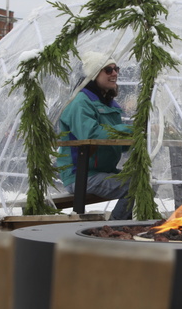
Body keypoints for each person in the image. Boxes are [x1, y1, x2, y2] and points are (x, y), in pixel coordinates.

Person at [56, 51, 134, 219]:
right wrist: (132, 132)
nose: (114, 73)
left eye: (116, 69)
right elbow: (92, 135)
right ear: (93, 75)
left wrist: (142, 136)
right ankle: (114, 230)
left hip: (102, 171)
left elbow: (116, 142)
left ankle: (124, 224)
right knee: (134, 185)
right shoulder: (80, 102)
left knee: (146, 179)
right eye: (108, 70)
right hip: (82, 175)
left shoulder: (108, 104)